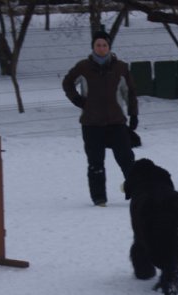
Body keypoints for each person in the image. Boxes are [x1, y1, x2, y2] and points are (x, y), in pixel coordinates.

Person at [62, 30, 138, 206]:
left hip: (116, 122)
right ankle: (99, 198)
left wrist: (133, 114)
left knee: (127, 158)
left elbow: (130, 92)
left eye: (104, 45)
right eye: (98, 45)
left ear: (109, 47)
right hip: (91, 123)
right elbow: (67, 83)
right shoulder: (83, 67)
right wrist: (77, 100)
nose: (101, 48)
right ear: (93, 47)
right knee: (95, 162)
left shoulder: (120, 67)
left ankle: (136, 191)